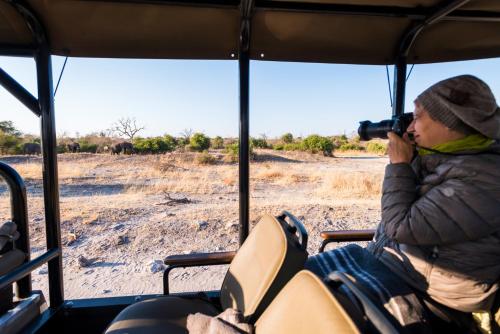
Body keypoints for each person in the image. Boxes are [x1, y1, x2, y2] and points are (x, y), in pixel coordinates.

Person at [306, 75, 500, 332]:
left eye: (418, 117)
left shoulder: (486, 177)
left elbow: (401, 226)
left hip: (434, 300)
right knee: (303, 278)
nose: (410, 126)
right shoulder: (445, 158)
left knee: (318, 312)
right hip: (395, 269)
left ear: (451, 122)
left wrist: (399, 165)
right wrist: (412, 158)